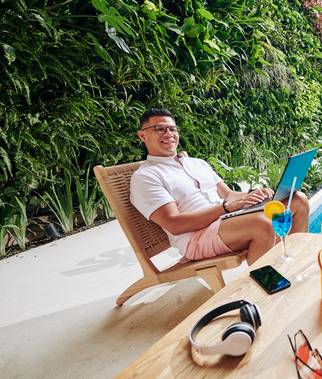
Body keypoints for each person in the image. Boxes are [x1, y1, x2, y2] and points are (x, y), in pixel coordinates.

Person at [130, 108, 309, 265]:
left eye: (172, 129)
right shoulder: (146, 176)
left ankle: (296, 261)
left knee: (298, 200)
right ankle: (264, 286)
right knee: (263, 224)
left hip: (228, 219)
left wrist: (253, 195)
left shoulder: (197, 163)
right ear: (142, 135)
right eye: (160, 129)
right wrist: (224, 208)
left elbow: (228, 194)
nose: (169, 134)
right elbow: (174, 224)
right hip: (196, 236)